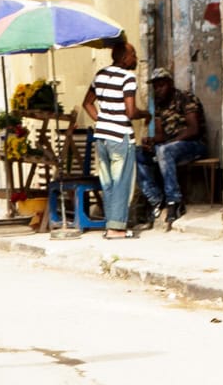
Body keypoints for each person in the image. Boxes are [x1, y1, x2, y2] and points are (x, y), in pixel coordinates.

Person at [82, 37, 141, 239]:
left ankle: (111, 225)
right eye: (133, 54)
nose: (136, 58)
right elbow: (131, 112)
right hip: (120, 136)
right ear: (125, 58)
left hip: (102, 137)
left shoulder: (100, 75)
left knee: (107, 182)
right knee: (122, 181)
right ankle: (117, 228)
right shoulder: (128, 78)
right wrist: (146, 115)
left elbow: (87, 103)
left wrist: (102, 119)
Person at [136, 67, 205, 228]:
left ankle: (174, 200)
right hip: (170, 148)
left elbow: (194, 129)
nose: (158, 90)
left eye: (162, 85)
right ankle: (156, 199)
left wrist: (169, 143)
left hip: (194, 146)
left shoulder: (186, 98)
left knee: (164, 150)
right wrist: (151, 140)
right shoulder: (160, 106)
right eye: (156, 87)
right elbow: (161, 135)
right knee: (139, 153)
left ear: (170, 84)